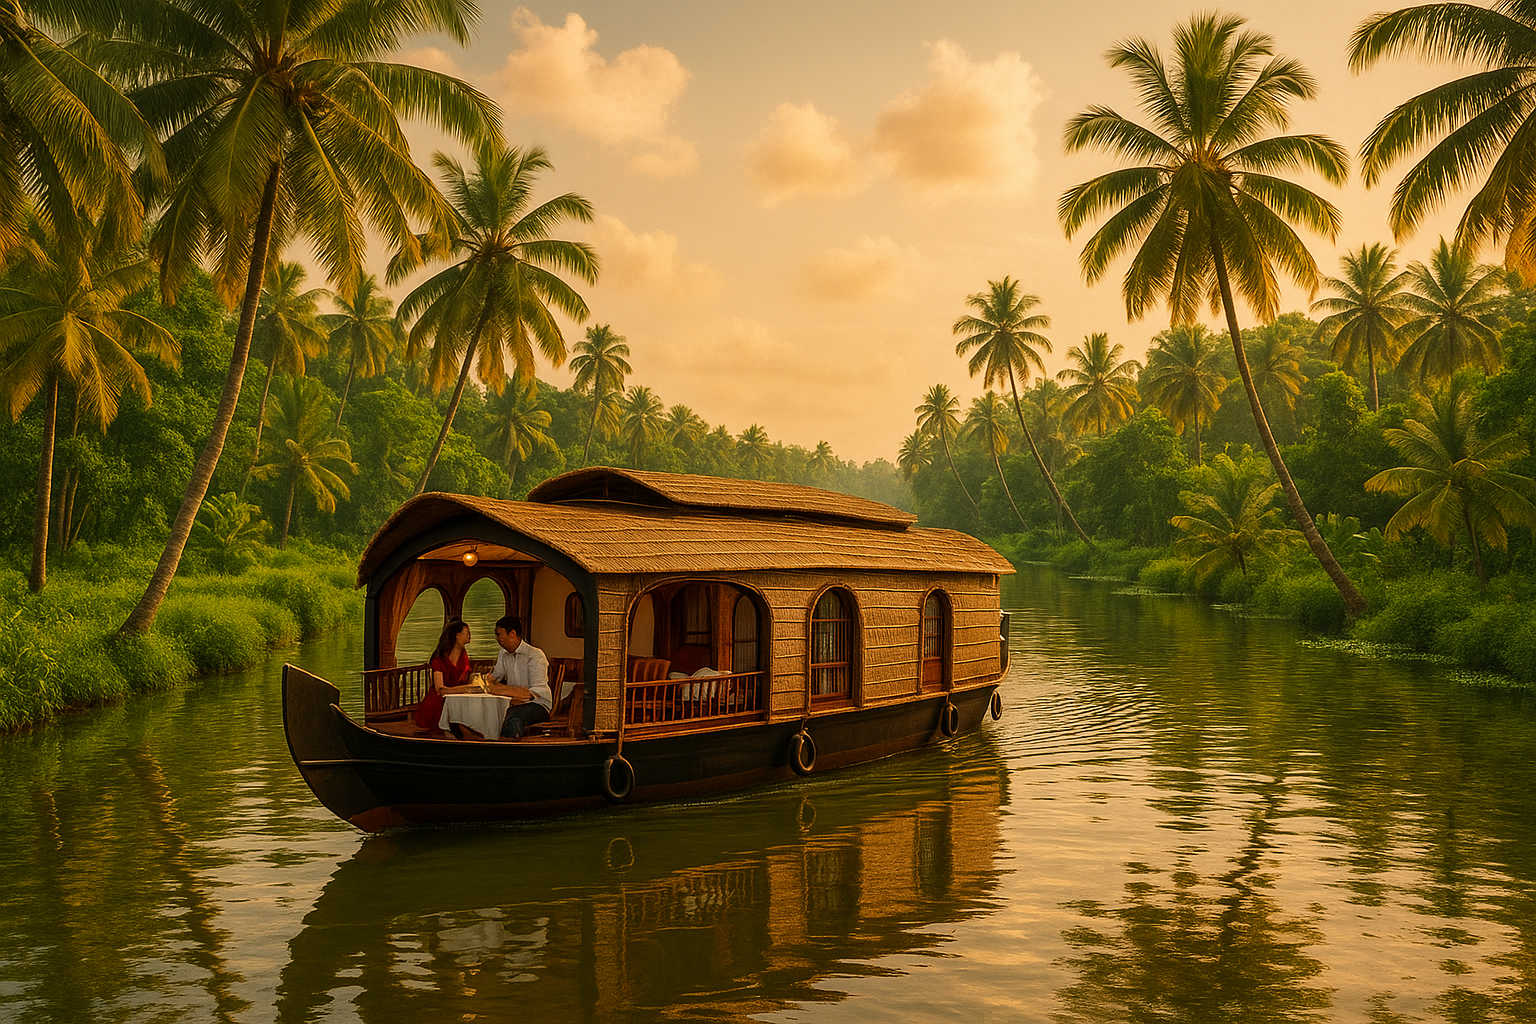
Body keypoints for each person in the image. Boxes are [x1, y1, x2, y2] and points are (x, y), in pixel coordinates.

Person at [485, 616, 551, 739]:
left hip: (537, 704)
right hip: (512, 702)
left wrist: (514, 694)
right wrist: (482, 682)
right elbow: (495, 676)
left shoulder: (535, 655)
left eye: (499, 634)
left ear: (512, 634)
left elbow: (536, 691)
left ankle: (511, 752)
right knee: (488, 713)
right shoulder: (503, 654)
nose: (497, 639)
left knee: (514, 717)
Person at [413, 618, 476, 732]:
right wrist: (464, 689)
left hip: (459, 698)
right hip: (439, 701)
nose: (469, 636)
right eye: (466, 633)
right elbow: (439, 689)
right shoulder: (439, 660)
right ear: (456, 635)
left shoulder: (463, 656)